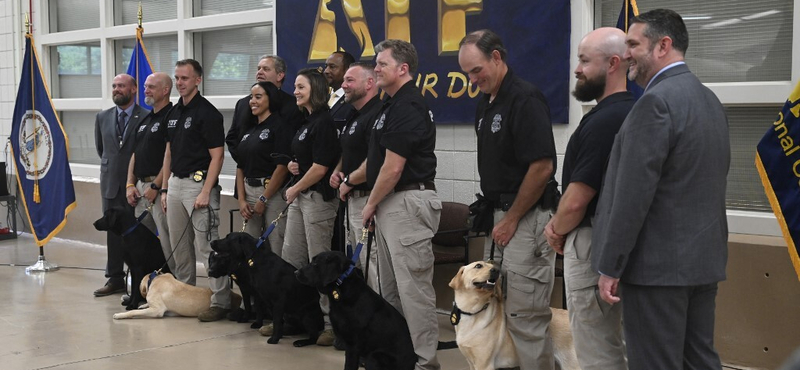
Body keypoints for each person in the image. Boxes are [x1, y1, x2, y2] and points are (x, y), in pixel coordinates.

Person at [592, 9, 730, 370]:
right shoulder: (710, 101)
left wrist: (611, 265)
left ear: (663, 46)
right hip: (702, 264)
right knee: (699, 360)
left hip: (656, 271)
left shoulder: (654, 103)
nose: (627, 55)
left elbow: (632, 196)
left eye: (634, 44)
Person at [458, 29, 558, 370]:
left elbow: (542, 167)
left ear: (497, 58)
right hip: (500, 217)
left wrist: (512, 218)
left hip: (524, 219)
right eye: (467, 73)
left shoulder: (524, 99)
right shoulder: (485, 104)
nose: (473, 79)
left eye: (476, 70)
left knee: (525, 317)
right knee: (499, 308)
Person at [543, 28, 633, 370]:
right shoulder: (636, 111)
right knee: (615, 341)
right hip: (618, 241)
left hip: (591, 240)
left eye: (584, 61)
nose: (577, 69)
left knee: (594, 346)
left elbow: (579, 198)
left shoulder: (604, 121)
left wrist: (556, 228)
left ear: (613, 63)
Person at [362, 39, 441, 370]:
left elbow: (393, 168)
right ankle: (401, 355)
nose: (376, 69)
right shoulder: (389, 105)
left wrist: (368, 205)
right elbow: (377, 161)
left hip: (407, 201)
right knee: (389, 289)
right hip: (391, 203)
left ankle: (425, 363)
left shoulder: (408, 106)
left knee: (413, 292)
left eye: (382, 64)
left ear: (403, 68)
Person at [160, 59, 231, 322]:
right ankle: (184, 295)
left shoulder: (208, 113)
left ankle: (221, 301)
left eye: (185, 78)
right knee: (180, 247)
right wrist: (165, 188)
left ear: (198, 80)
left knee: (207, 247)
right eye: (177, 78)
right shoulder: (174, 112)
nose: (179, 83)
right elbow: (168, 153)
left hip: (199, 185)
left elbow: (218, 157)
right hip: (176, 184)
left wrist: (205, 191)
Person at [281, 68, 341, 346]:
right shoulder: (306, 122)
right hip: (301, 196)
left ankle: (331, 324)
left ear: (315, 90)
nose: (295, 91)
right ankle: (298, 319)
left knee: (320, 264)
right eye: (295, 86)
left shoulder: (324, 122)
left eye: (301, 87)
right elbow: (306, 160)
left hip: (316, 199)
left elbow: (321, 168)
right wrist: (295, 166)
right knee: (292, 259)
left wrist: (294, 186)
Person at [93, 73, 150, 297]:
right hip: (110, 184)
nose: (116, 89)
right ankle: (114, 277)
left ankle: (140, 278)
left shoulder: (146, 116)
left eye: (121, 86)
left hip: (136, 186)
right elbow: (102, 150)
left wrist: (132, 181)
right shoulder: (102, 117)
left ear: (134, 89)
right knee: (113, 232)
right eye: (114, 85)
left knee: (139, 232)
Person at [329, 62, 383, 290]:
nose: (344, 85)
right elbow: (347, 150)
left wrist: (350, 180)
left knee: (373, 264)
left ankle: (382, 319)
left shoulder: (378, 114)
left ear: (370, 83)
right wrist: (337, 171)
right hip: (351, 198)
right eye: (344, 81)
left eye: (350, 80)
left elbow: (377, 160)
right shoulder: (354, 114)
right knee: (358, 262)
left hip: (369, 199)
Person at [125, 72, 175, 273]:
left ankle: (174, 283)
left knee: (167, 240)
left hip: (160, 187)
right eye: (145, 86)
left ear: (165, 90)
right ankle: (145, 286)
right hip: (140, 189)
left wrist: (157, 186)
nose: (146, 90)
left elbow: (170, 156)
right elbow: (135, 154)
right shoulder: (145, 119)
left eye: (151, 87)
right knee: (141, 242)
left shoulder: (172, 117)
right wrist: (130, 184)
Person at [234, 81, 292, 254]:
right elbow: (240, 165)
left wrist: (264, 198)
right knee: (249, 248)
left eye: (258, 97)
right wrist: (241, 199)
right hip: (248, 192)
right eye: (251, 97)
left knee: (276, 246)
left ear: (270, 99)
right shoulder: (248, 128)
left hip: (272, 194)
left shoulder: (280, 126)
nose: (253, 101)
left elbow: (282, 167)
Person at [226, 55, 302, 162]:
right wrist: (245, 162)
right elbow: (232, 138)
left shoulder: (294, 105)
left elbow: (293, 143)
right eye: (258, 69)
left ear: (280, 76)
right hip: (246, 172)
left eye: (266, 69)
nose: (260, 72)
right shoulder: (243, 104)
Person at [324, 51, 356, 130]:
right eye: (326, 66)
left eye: (332, 67)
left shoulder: (354, 100)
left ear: (347, 70)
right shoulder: (322, 99)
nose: (326, 71)